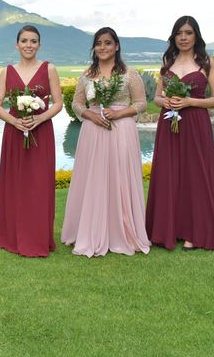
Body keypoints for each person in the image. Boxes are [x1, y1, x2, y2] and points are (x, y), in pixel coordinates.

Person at [61, 27, 151, 257]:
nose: (103, 47)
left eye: (108, 43)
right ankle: (91, 229)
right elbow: (77, 104)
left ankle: (122, 231)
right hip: (93, 130)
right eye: (99, 43)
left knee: (120, 175)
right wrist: (91, 116)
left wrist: (119, 114)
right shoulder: (87, 74)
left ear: (117, 46)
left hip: (122, 130)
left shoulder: (129, 74)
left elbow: (141, 102)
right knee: (95, 176)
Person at [146, 16, 214, 251]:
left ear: (196, 36)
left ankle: (194, 233)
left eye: (188, 33)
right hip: (169, 125)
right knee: (168, 174)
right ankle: (165, 230)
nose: (183, 37)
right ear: (174, 36)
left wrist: (190, 101)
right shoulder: (168, 61)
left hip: (195, 125)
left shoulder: (207, 62)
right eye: (179, 33)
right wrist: (166, 102)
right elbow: (157, 97)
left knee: (194, 176)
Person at [0, 25, 63, 257]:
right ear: (17, 44)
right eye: (24, 41)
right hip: (14, 133)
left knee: (39, 184)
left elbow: (58, 103)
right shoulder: (7, 71)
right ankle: (12, 235)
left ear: (39, 45)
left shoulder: (49, 68)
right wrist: (13, 122)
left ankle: (38, 236)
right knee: (15, 184)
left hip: (40, 133)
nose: (28, 45)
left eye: (33, 41)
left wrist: (40, 118)